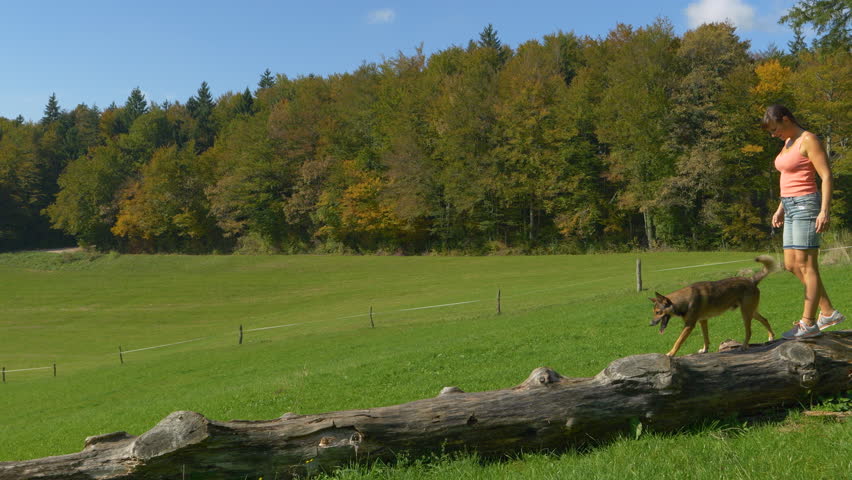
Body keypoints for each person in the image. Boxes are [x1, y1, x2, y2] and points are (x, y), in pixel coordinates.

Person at [762, 104, 844, 339]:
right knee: (791, 265)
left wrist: (824, 211)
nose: (773, 134)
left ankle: (809, 323)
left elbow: (826, 176)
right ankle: (827, 311)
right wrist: (780, 209)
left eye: (775, 129)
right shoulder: (787, 143)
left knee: (808, 265)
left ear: (786, 119)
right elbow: (788, 177)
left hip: (807, 205)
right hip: (789, 206)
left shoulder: (808, 139)